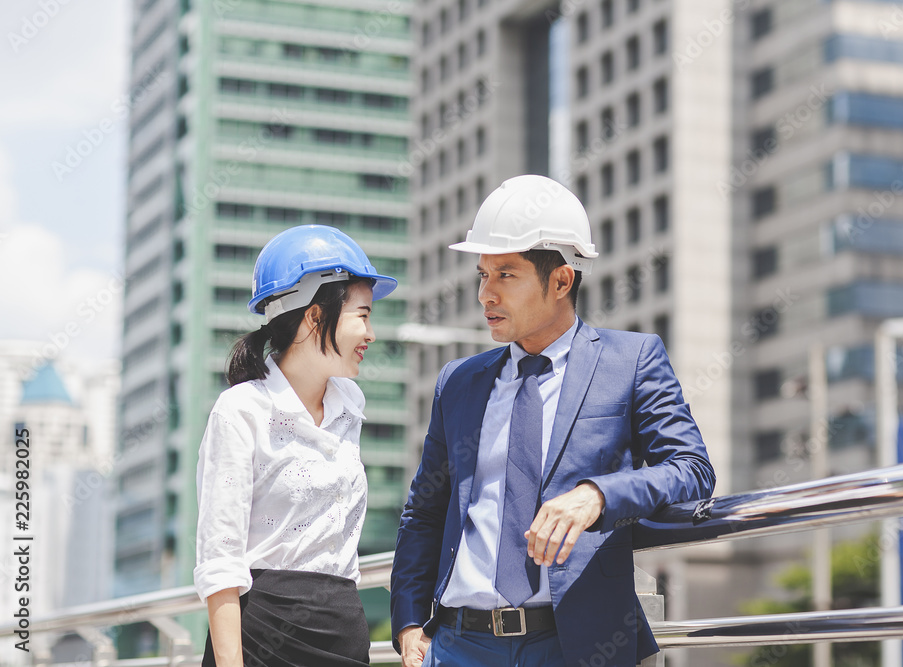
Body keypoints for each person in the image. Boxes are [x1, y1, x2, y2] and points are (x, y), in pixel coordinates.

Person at [390, 175, 716, 667]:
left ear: (561, 280)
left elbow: (692, 470)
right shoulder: (457, 382)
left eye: (506, 276)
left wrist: (598, 495)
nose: (485, 296)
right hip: (459, 646)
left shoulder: (631, 360)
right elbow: (424, 512)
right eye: (482, 275)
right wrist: (409, 621)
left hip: (574, 644)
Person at [194, 225, 397, 667]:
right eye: (362, 315)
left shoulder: (351, 406)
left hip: (343, 631)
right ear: (314, 317)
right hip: (263, 636)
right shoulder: (240, 411)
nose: (371, 334)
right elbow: (220, 560)